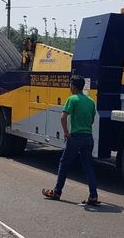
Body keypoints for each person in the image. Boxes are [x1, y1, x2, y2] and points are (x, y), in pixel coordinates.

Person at [42, 75, 99, 205]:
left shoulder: (72, 99)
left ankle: (57, 192)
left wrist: (66, 132)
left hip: (76, 137)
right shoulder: (90, 101)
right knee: (88, 166)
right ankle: (93, 196)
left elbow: (63, 117)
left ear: (73, 86)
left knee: (64, 163)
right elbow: (91, 120)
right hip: (88, 138)